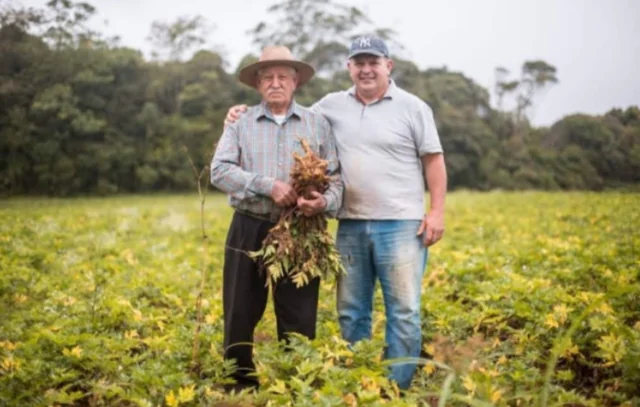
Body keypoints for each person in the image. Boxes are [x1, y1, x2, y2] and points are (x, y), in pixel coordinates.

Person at [224, 36, 446, 390]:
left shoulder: (412, 107)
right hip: (350, 224)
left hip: (400, 223)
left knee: (403, 310)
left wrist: (436, 212)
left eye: (374, 61)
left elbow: (433, 160)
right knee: (350, 310)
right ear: (349, 67)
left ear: (389, 65)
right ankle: (356, 381)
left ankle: (394, 387)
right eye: (359, 62)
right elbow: (277, 118)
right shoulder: (329, 107)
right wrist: (237, 115)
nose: (366, 68)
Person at [210, 45, 343, 393]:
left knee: (299, 313)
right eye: (267, 77)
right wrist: (267, 186)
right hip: (249, 225)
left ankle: (296, 382)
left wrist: (324, 201)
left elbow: (338, 177)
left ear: (295, 80)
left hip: (301, 229)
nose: (275, 82)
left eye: (283, 76)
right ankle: (239, 384)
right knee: (240, 309)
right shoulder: (241, 123)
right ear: (257, 83)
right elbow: (219, 171)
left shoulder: (318, 124)